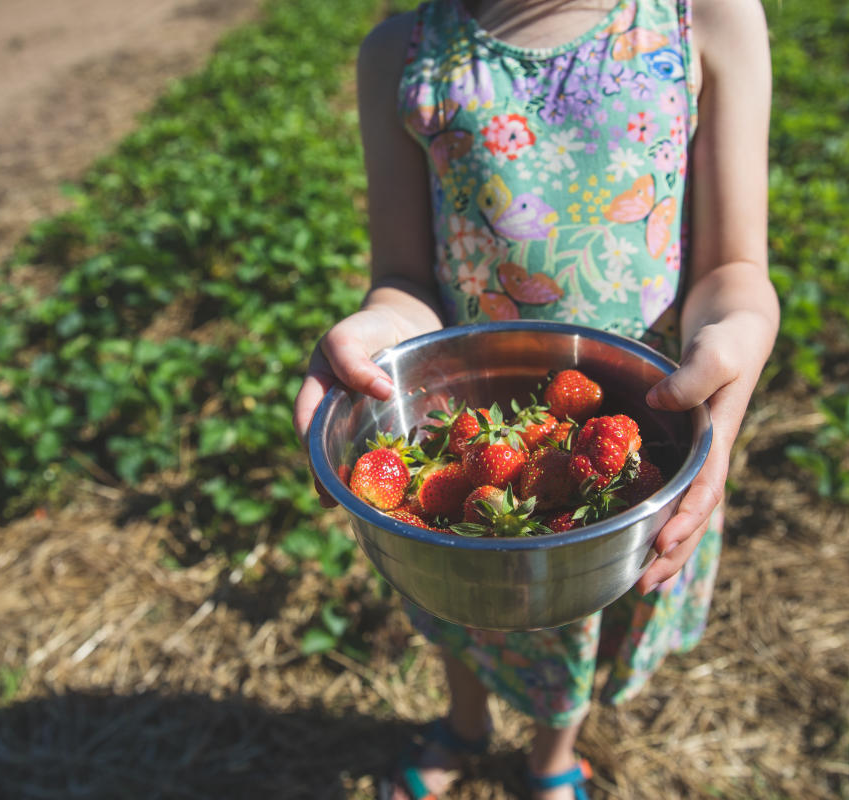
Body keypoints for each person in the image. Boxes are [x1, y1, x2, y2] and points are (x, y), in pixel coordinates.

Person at [293, 0, 777, 796]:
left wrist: (740, 331)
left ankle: (552, 756)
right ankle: (466, 720)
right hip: (475, 417)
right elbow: (405, 280)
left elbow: (734, 268)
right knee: (454, 578)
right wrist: (377, 326)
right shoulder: (403, 52)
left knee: (584, 602)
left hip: (642, 427)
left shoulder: (706, 18)